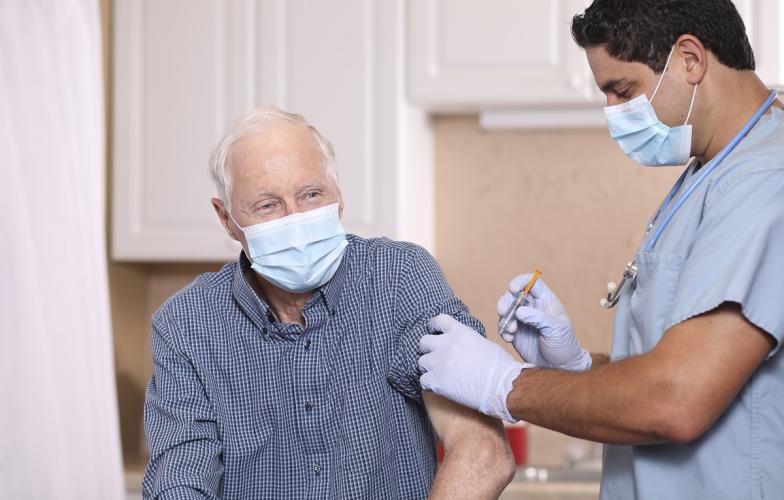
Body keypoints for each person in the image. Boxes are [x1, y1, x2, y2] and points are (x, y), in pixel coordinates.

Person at [417, 1, 784, 499]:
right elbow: (678, 365)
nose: (611, 111)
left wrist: (505, 384)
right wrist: (579, 368)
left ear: (691, 60)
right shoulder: (709, 173)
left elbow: (677, 398)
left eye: (621, 89)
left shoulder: (765, 179)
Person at [141, 108, 515, 499]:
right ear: (227, 219)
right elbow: (179, 482)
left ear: (339, 197)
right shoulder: (186, 324)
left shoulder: (399, 278)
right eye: (268, 205)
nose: (296, 220)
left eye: (311, 195)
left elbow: (482, 450)